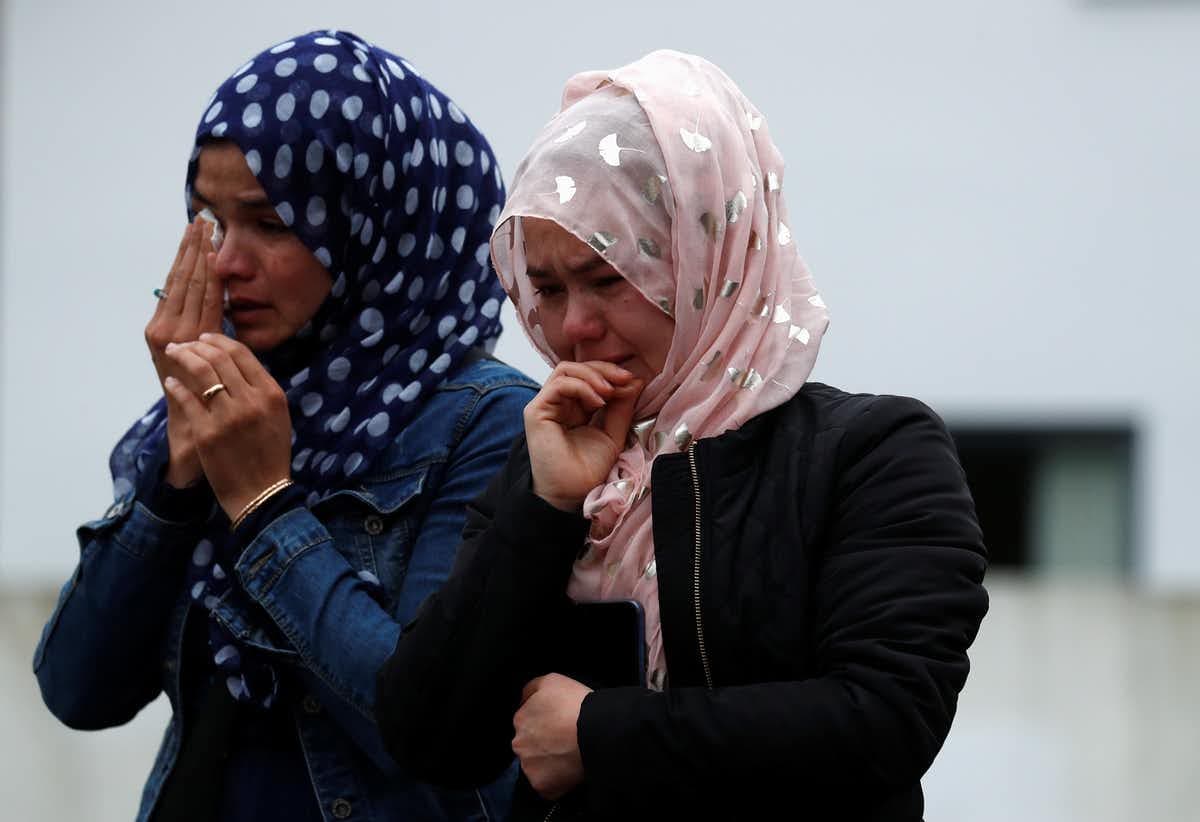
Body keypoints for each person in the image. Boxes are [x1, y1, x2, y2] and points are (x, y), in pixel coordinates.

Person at [375, 50, 990, 821]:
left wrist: (602, 734)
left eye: (606, 277)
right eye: (548, 288)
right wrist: (545, 509)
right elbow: (426, 734)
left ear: (705, 256)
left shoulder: (871, 452)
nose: (574, 327)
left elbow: (886, 718)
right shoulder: (551, 470)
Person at [33, 30, 533, 822]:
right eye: (207, 218)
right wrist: (177, 473)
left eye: (271, 222)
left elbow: (426, 735)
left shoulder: (488, 424)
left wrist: (265, 503)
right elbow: (78, 691)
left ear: (376, 225)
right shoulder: (223, 404)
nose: (227, 260)